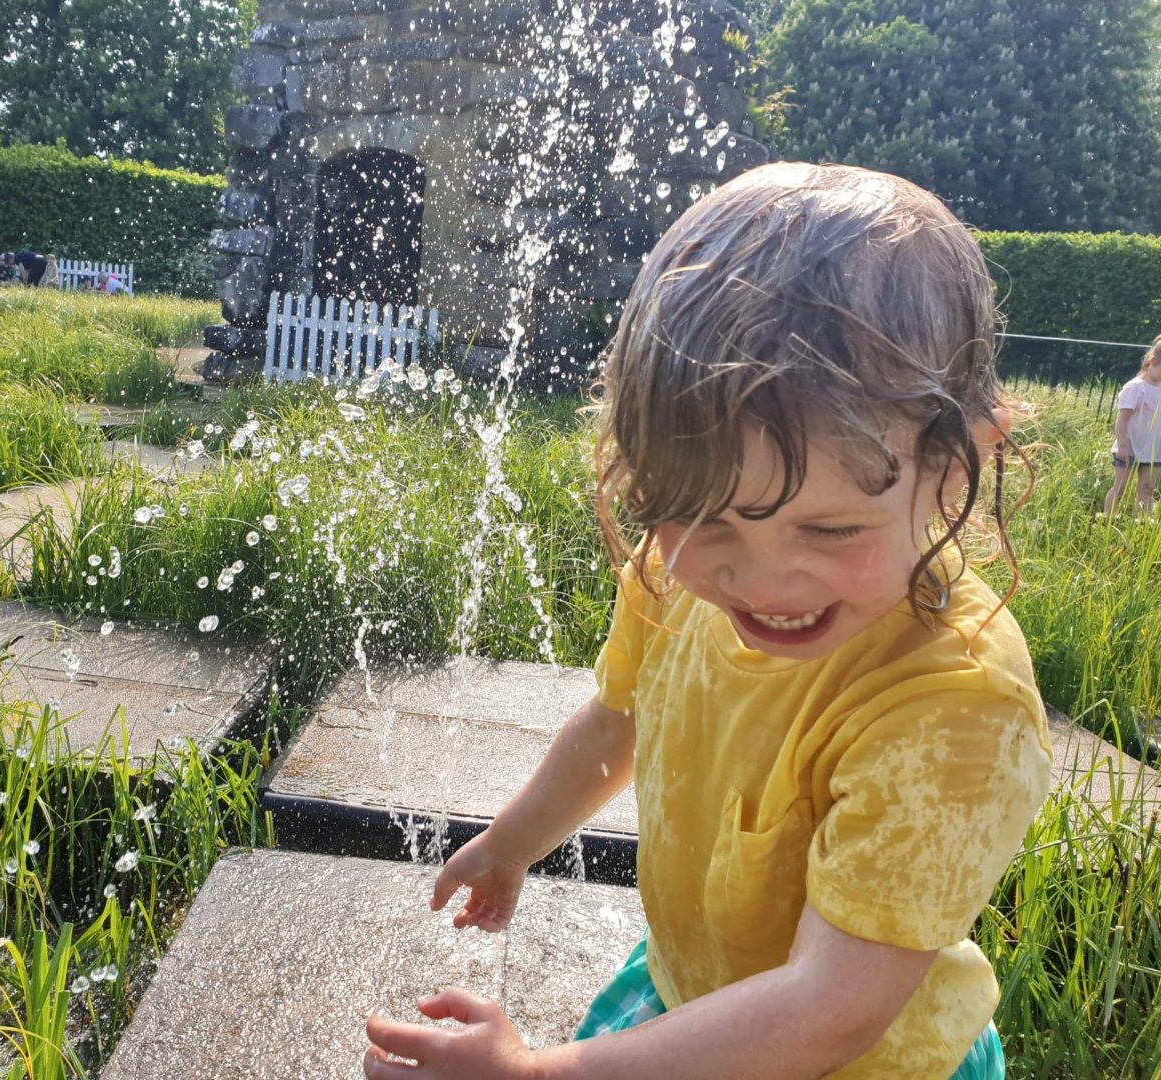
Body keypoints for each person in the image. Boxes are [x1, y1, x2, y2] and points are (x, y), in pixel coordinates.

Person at [363, 162, 1053, 1080]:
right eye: (706, 517)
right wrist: (513, 842)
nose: (760, 579)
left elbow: (825, 1011)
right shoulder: (676, 574)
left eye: (833, 527)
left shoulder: (954, 704)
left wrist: (537, 1075)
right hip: (697, 994)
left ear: (960, 464)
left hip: (863, 1056)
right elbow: (620, 721)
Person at [1102, 335, 1161, 514]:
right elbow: (1122, 420)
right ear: (1152, 360)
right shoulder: (1135, 388)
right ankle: (1106, 521)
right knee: (1119, 488)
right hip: (1129, 447)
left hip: (1154, 449)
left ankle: (1142, 526)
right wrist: (1122, 445)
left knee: (1147, 489)